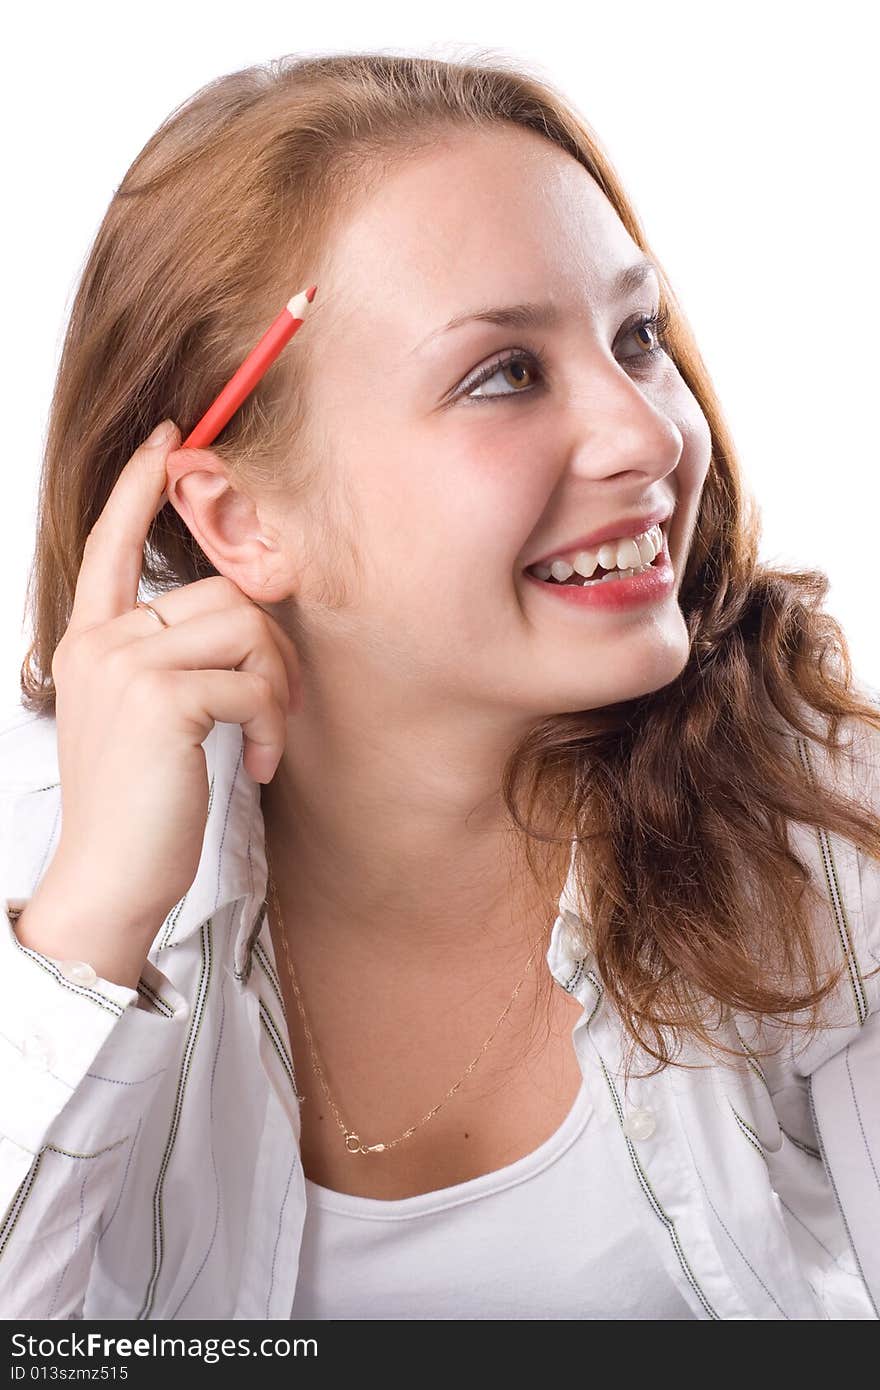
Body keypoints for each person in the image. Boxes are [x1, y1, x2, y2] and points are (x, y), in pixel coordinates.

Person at [1, 50, 878, 1322]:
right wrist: (89, 936)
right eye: (504, 373)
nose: (648, 434)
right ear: (240, 517)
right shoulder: (48, 870)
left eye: (636, 336)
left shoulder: (830, 845)